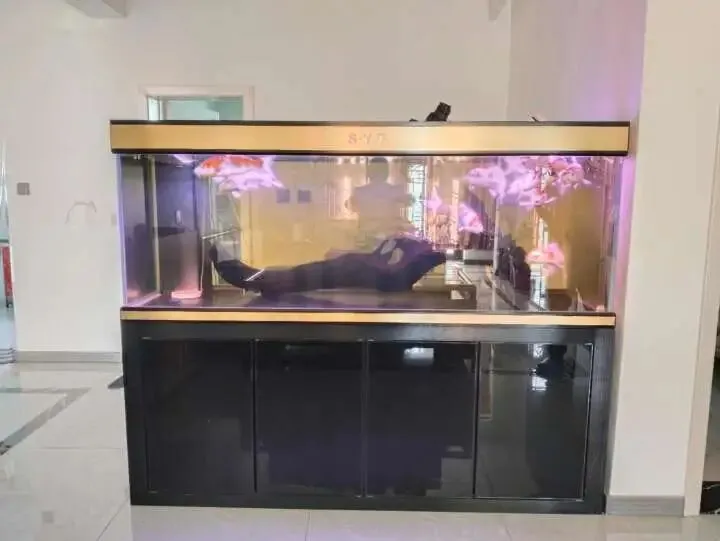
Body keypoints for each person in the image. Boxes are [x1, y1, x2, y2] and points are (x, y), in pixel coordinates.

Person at [210, 235, 446, 297]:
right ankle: (260, 280)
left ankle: (258, 280)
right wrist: (393, 243)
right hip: (360, 268)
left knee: (310, 274)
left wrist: (397, 244)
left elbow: (391, 272)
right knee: (310, 272)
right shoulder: (415, 256)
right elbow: (384, 260)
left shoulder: (415, 261)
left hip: (361, 270)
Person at [347, 157, 414, 250]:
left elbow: (353, 207)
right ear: (386, 172)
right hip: (387, 241)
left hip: (367, 241)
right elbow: (410, 201)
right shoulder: (395, 191)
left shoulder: (359, 191)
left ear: (369, 171)